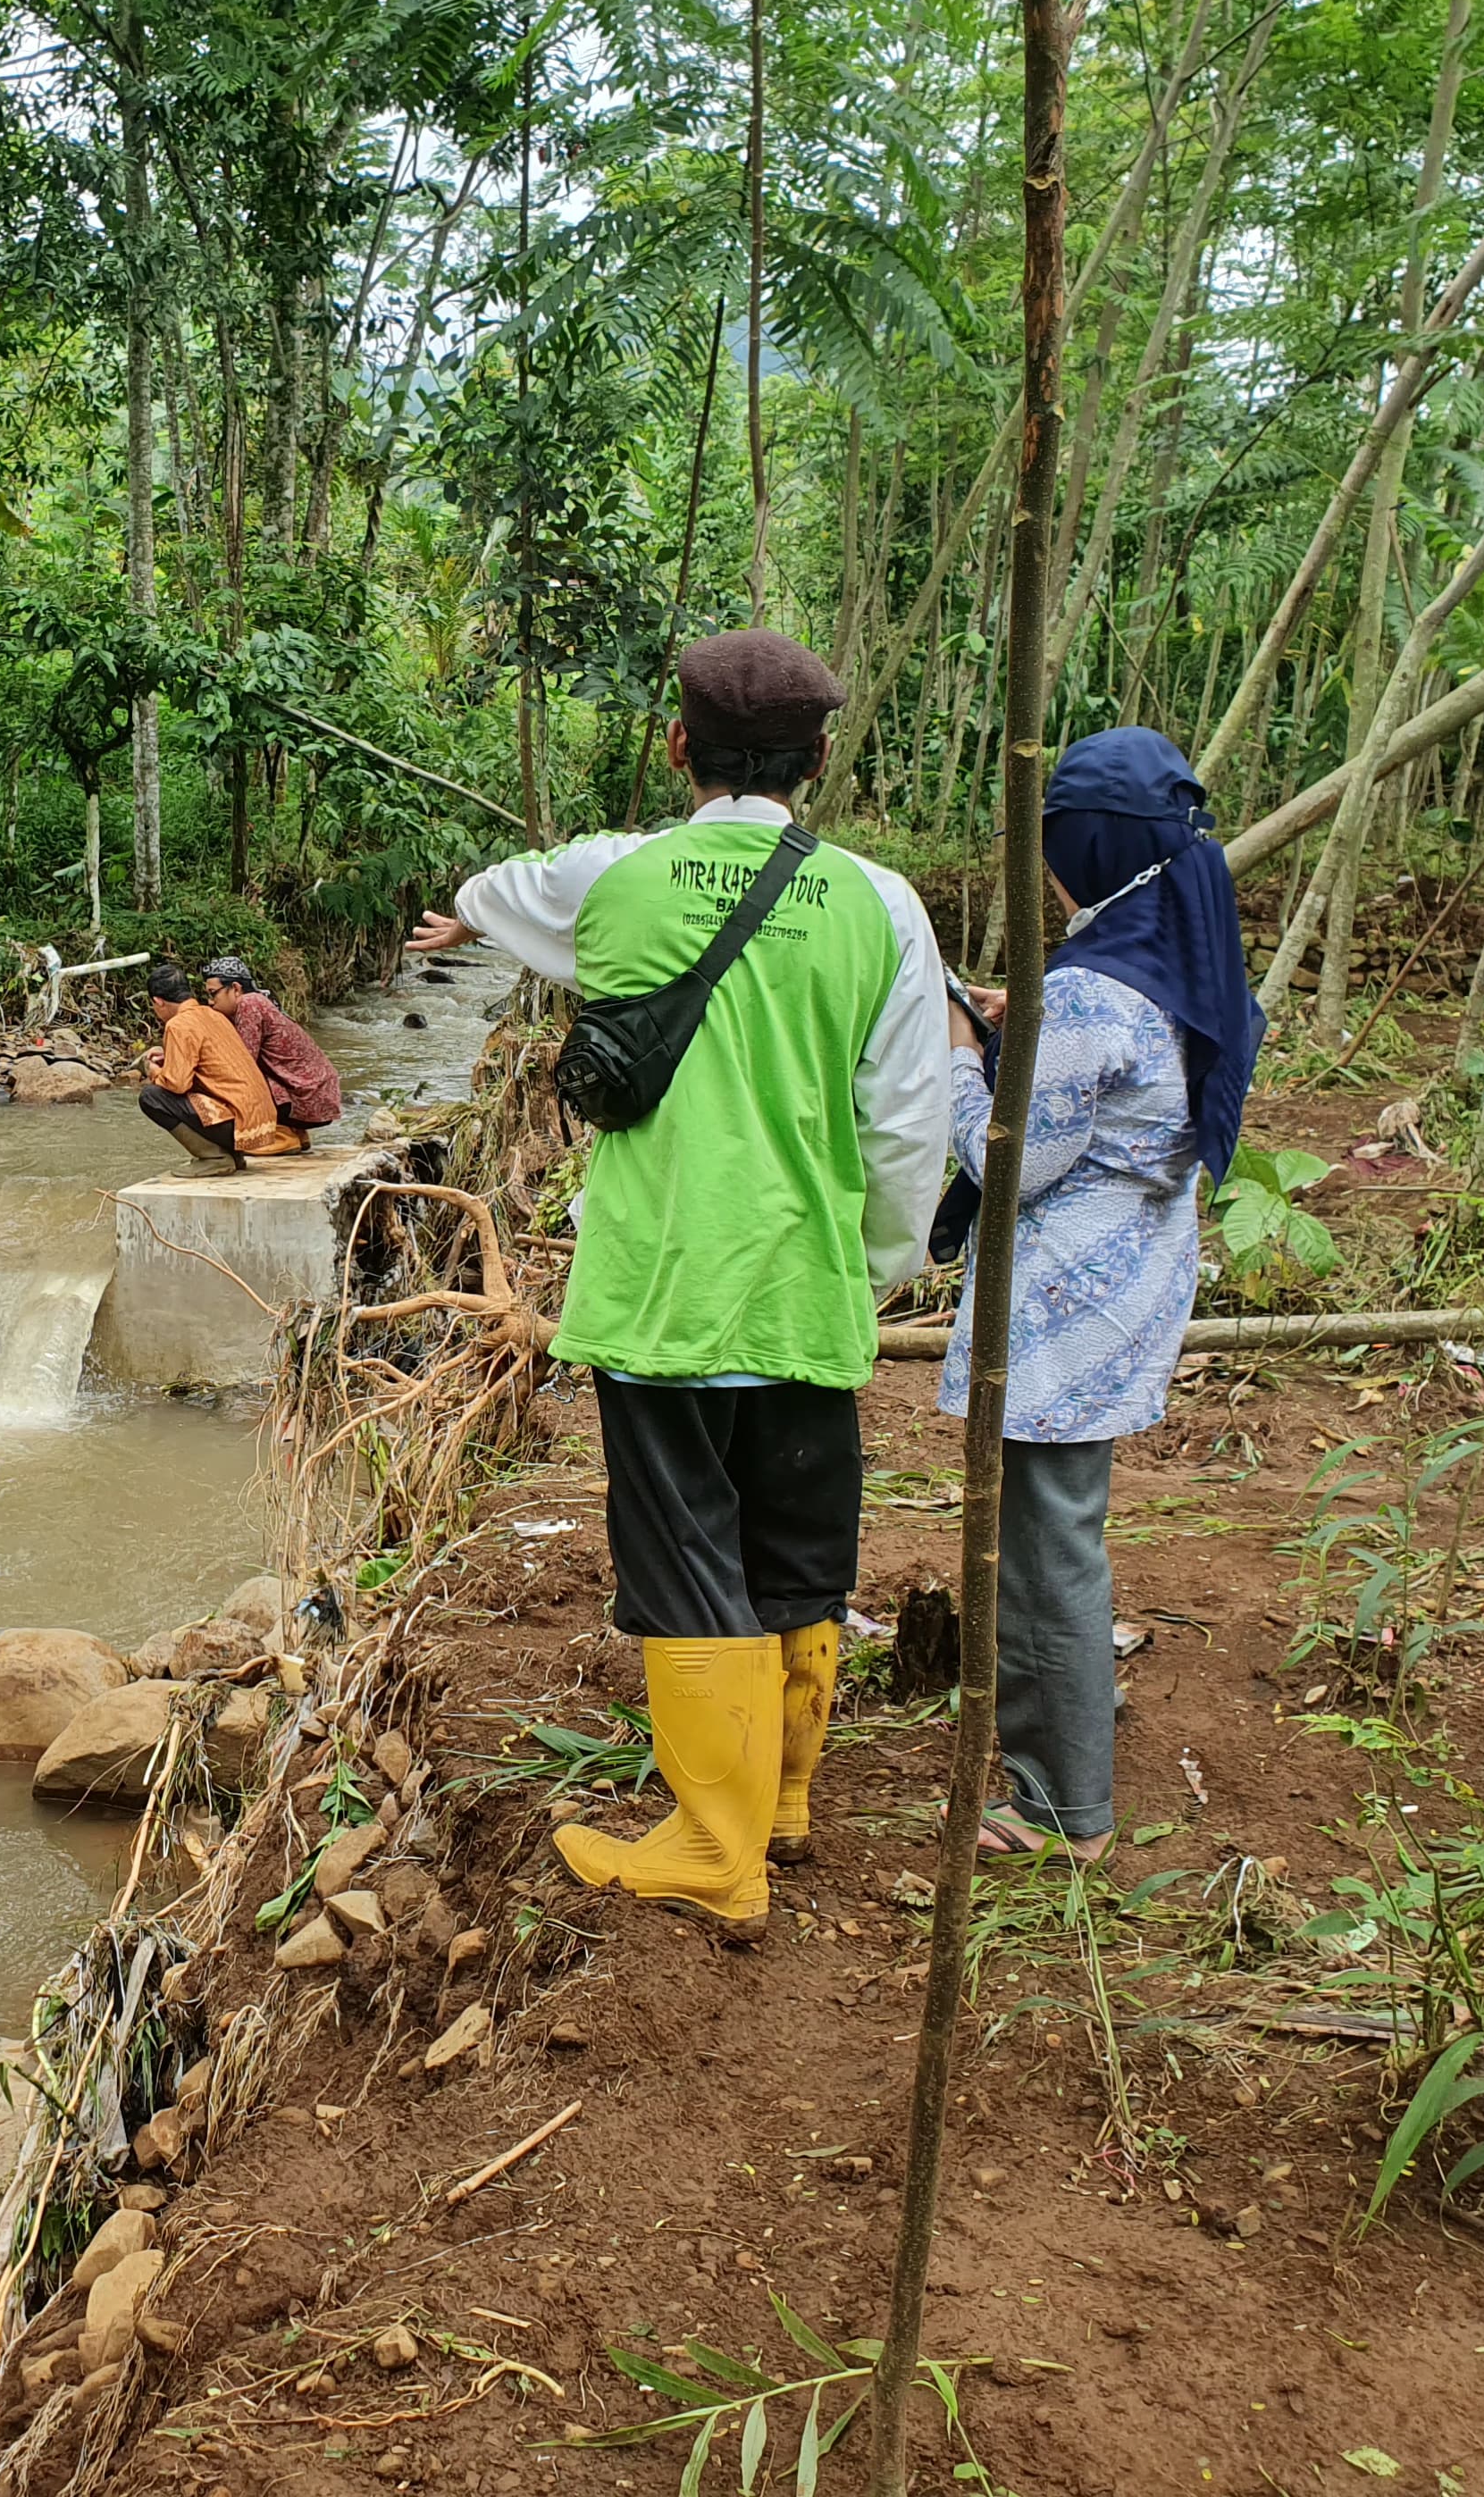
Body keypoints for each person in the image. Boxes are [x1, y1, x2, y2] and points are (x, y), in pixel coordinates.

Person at [407, 628, 951, 1940]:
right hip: (805, 1288)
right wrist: (870, 1268)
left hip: (661, 1293)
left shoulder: (613, 877)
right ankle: (782, 1803)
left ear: (676, 747)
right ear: (820, 757)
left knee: (688, 1557)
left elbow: (498, 890)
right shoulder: (883, 906)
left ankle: (714, 1847)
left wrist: (468, 913)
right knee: (797, 1553)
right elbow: (907, 1123)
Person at [940, 728, 1264, 1864]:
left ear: (1084, 845)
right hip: (1133, 1280)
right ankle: (1069, 1724)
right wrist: (1024, 1030)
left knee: (1044, 1548)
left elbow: (1007, 1164)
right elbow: (1125, 1076)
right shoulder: (1173, 958)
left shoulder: (1086, 996)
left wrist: (958, 1055)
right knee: (1062, 1528)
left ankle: (1061, 1805)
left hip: (1060, 1308)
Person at [138, 964, 301, 1170]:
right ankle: (234, 1156)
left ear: (158, 1001)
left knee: (151, 1096)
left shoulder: (178, 1025)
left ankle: (214, 1158)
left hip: (240, 1125)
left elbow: (177, 1084)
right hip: (264, 1125)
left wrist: (154, 1072)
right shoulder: (215, 1015)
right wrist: (170, 1058)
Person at [201, 955, 344, 1137]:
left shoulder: (248, 1003)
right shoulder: (259, 1001)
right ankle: (293, 1134)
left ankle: (274, 1138)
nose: (210, 1001)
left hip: (310, 1097)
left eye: (213, 993)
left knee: (227, 1082)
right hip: (318, 1095)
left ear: (236, 988)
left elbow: (243, 1064)